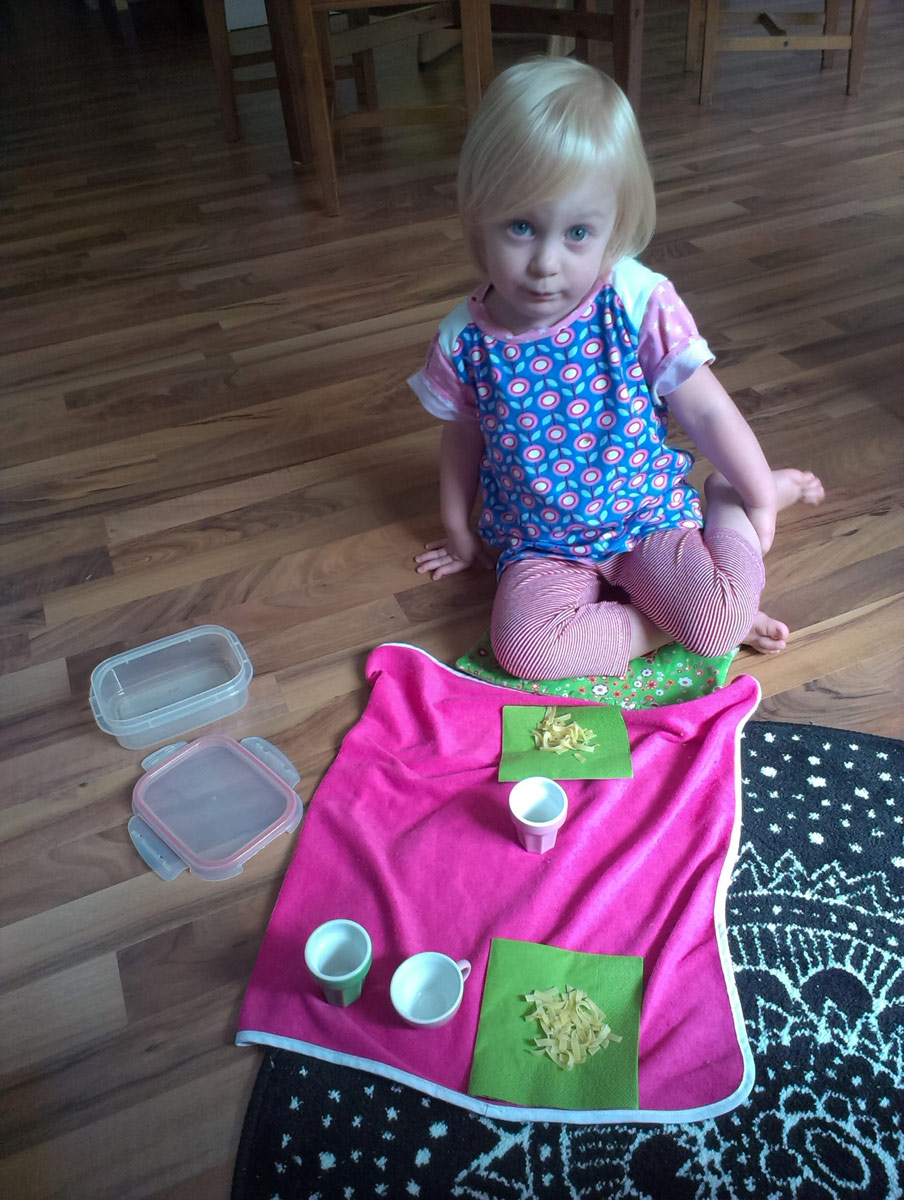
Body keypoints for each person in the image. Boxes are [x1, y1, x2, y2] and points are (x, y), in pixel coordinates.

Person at [410, 56, 824, 682]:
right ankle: (680, 623)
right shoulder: (463, 339)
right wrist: (456, 527)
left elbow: (708, 410)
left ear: (615, 226)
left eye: (578, 232)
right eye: (521, 227)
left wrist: (759, 497)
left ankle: (725, 504)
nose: (546, 262)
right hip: (542, 543)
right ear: (478, 217)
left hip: (646, 516)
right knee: (525, 652)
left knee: (717, 619)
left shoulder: (634, 301)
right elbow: (462, 436)